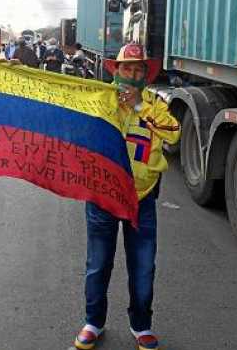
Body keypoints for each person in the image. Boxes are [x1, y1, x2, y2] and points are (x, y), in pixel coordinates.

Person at [73, 44, 180, 350]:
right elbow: (62, 111)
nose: (132, 75)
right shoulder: (97, 99)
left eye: (138, 70)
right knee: (98, 263)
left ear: (145, 75)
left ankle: (141, 325)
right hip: (102, 195)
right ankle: (93, 321)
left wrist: (138, 107)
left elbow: (173, 133)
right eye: (127, 68)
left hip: (141, 197)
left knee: (143, 265)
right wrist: (19, 74)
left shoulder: (154, 104)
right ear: (115, 71)